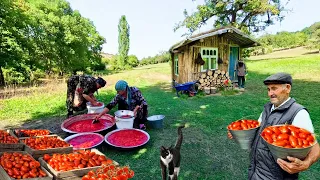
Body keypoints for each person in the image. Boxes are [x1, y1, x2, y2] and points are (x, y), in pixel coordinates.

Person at [228, 72, 320, 180]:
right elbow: (258, 133)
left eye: (274, 88)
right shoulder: (268, 108)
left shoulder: (298, 113)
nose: (270, 93)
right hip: (255, 171)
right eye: (268, 89)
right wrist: (239, 133)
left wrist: (306, 163)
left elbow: (315, 147)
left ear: (287, 88)